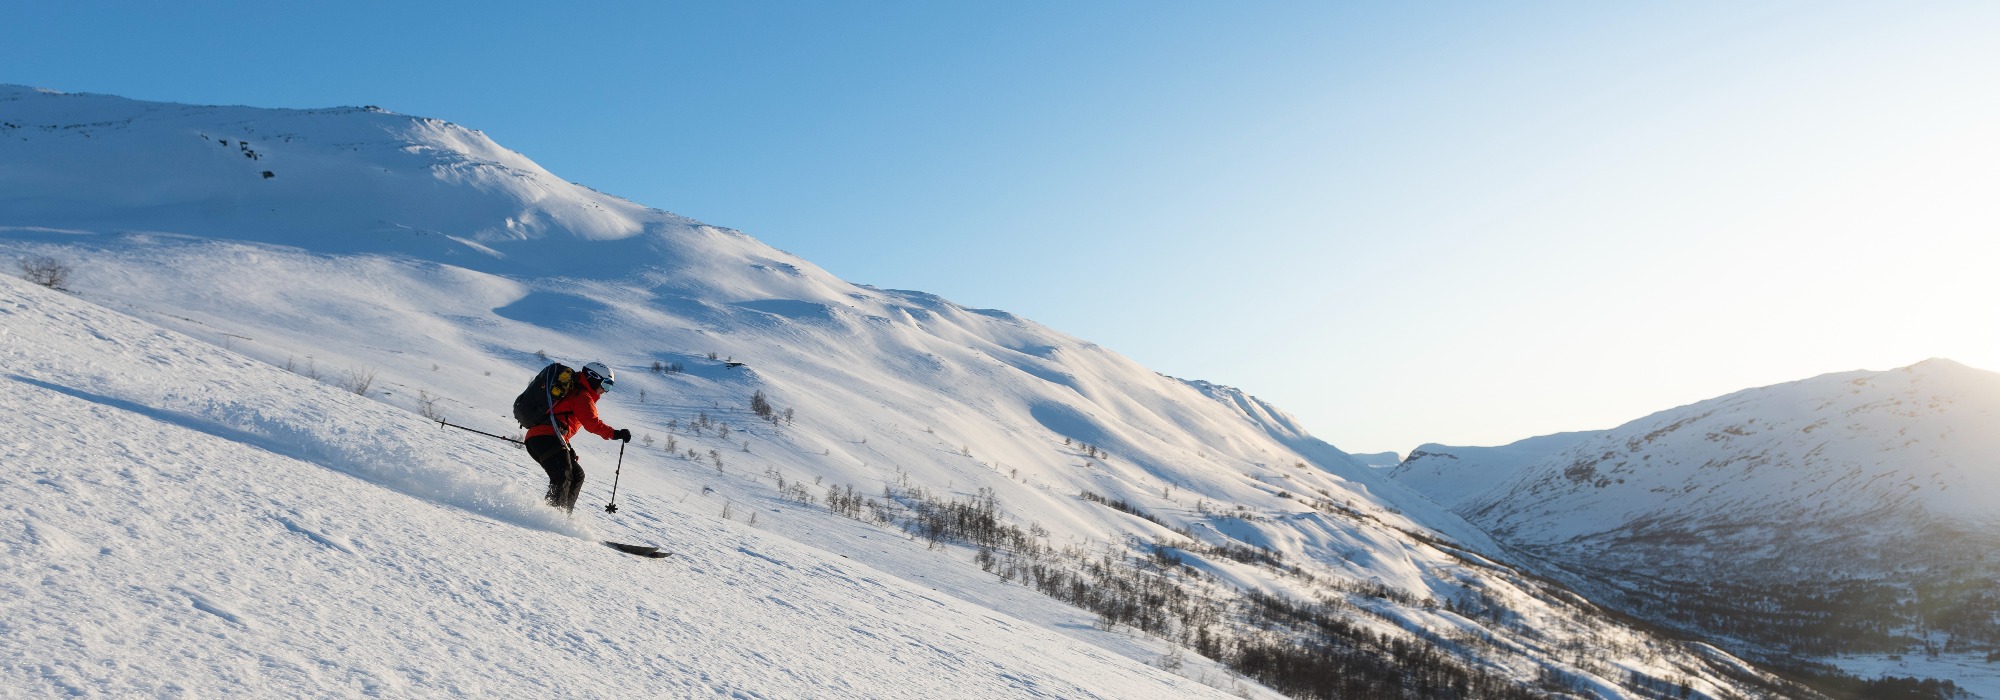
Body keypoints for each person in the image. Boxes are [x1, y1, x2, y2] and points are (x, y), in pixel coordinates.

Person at [523, 361, 631, 512]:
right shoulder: (582, 396)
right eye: (606, 385)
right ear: (593, 377)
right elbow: (592, 423)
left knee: (576, 475)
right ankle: (550, 515)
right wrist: (615, 433)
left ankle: (563, 514)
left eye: (609, 387)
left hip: (543, 438)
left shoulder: (576, 392)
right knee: (563, 475)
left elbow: (561, 423)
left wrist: (568, 448)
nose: (605, 391)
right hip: (545, 437)